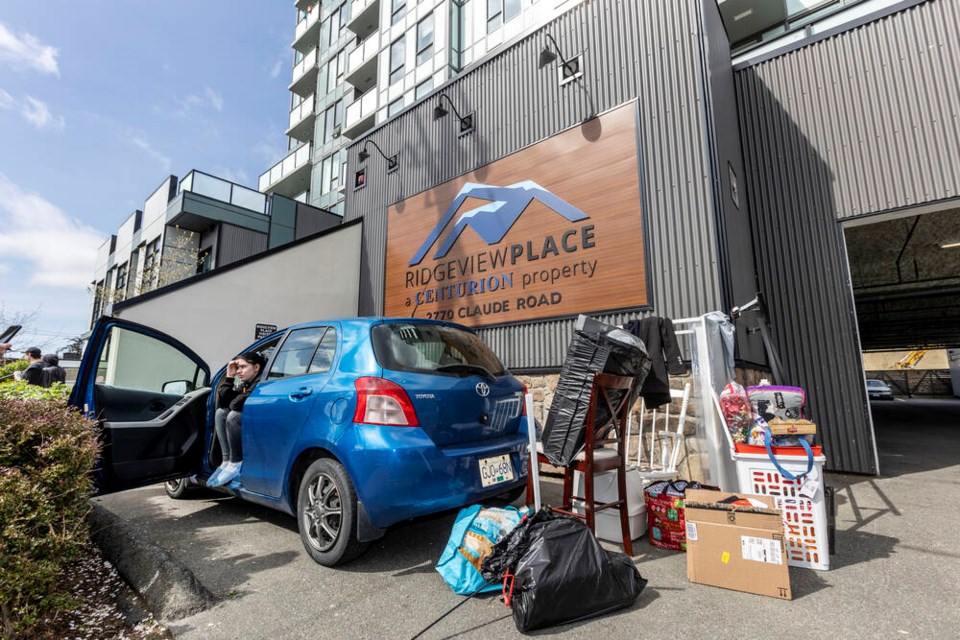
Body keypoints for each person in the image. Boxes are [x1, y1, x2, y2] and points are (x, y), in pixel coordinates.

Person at [207, 351, 265, 487]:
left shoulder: (260, 381)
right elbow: (223, 402)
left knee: (234, 416)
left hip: (260, 422)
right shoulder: (246, 384)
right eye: (237, 368)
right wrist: (229, 377)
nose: (239, 371)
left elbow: (236, 404)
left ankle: (236, 461)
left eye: (243, 367)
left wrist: (234, 401)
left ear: (256, 367)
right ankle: (227, 460)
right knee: (221, 413)